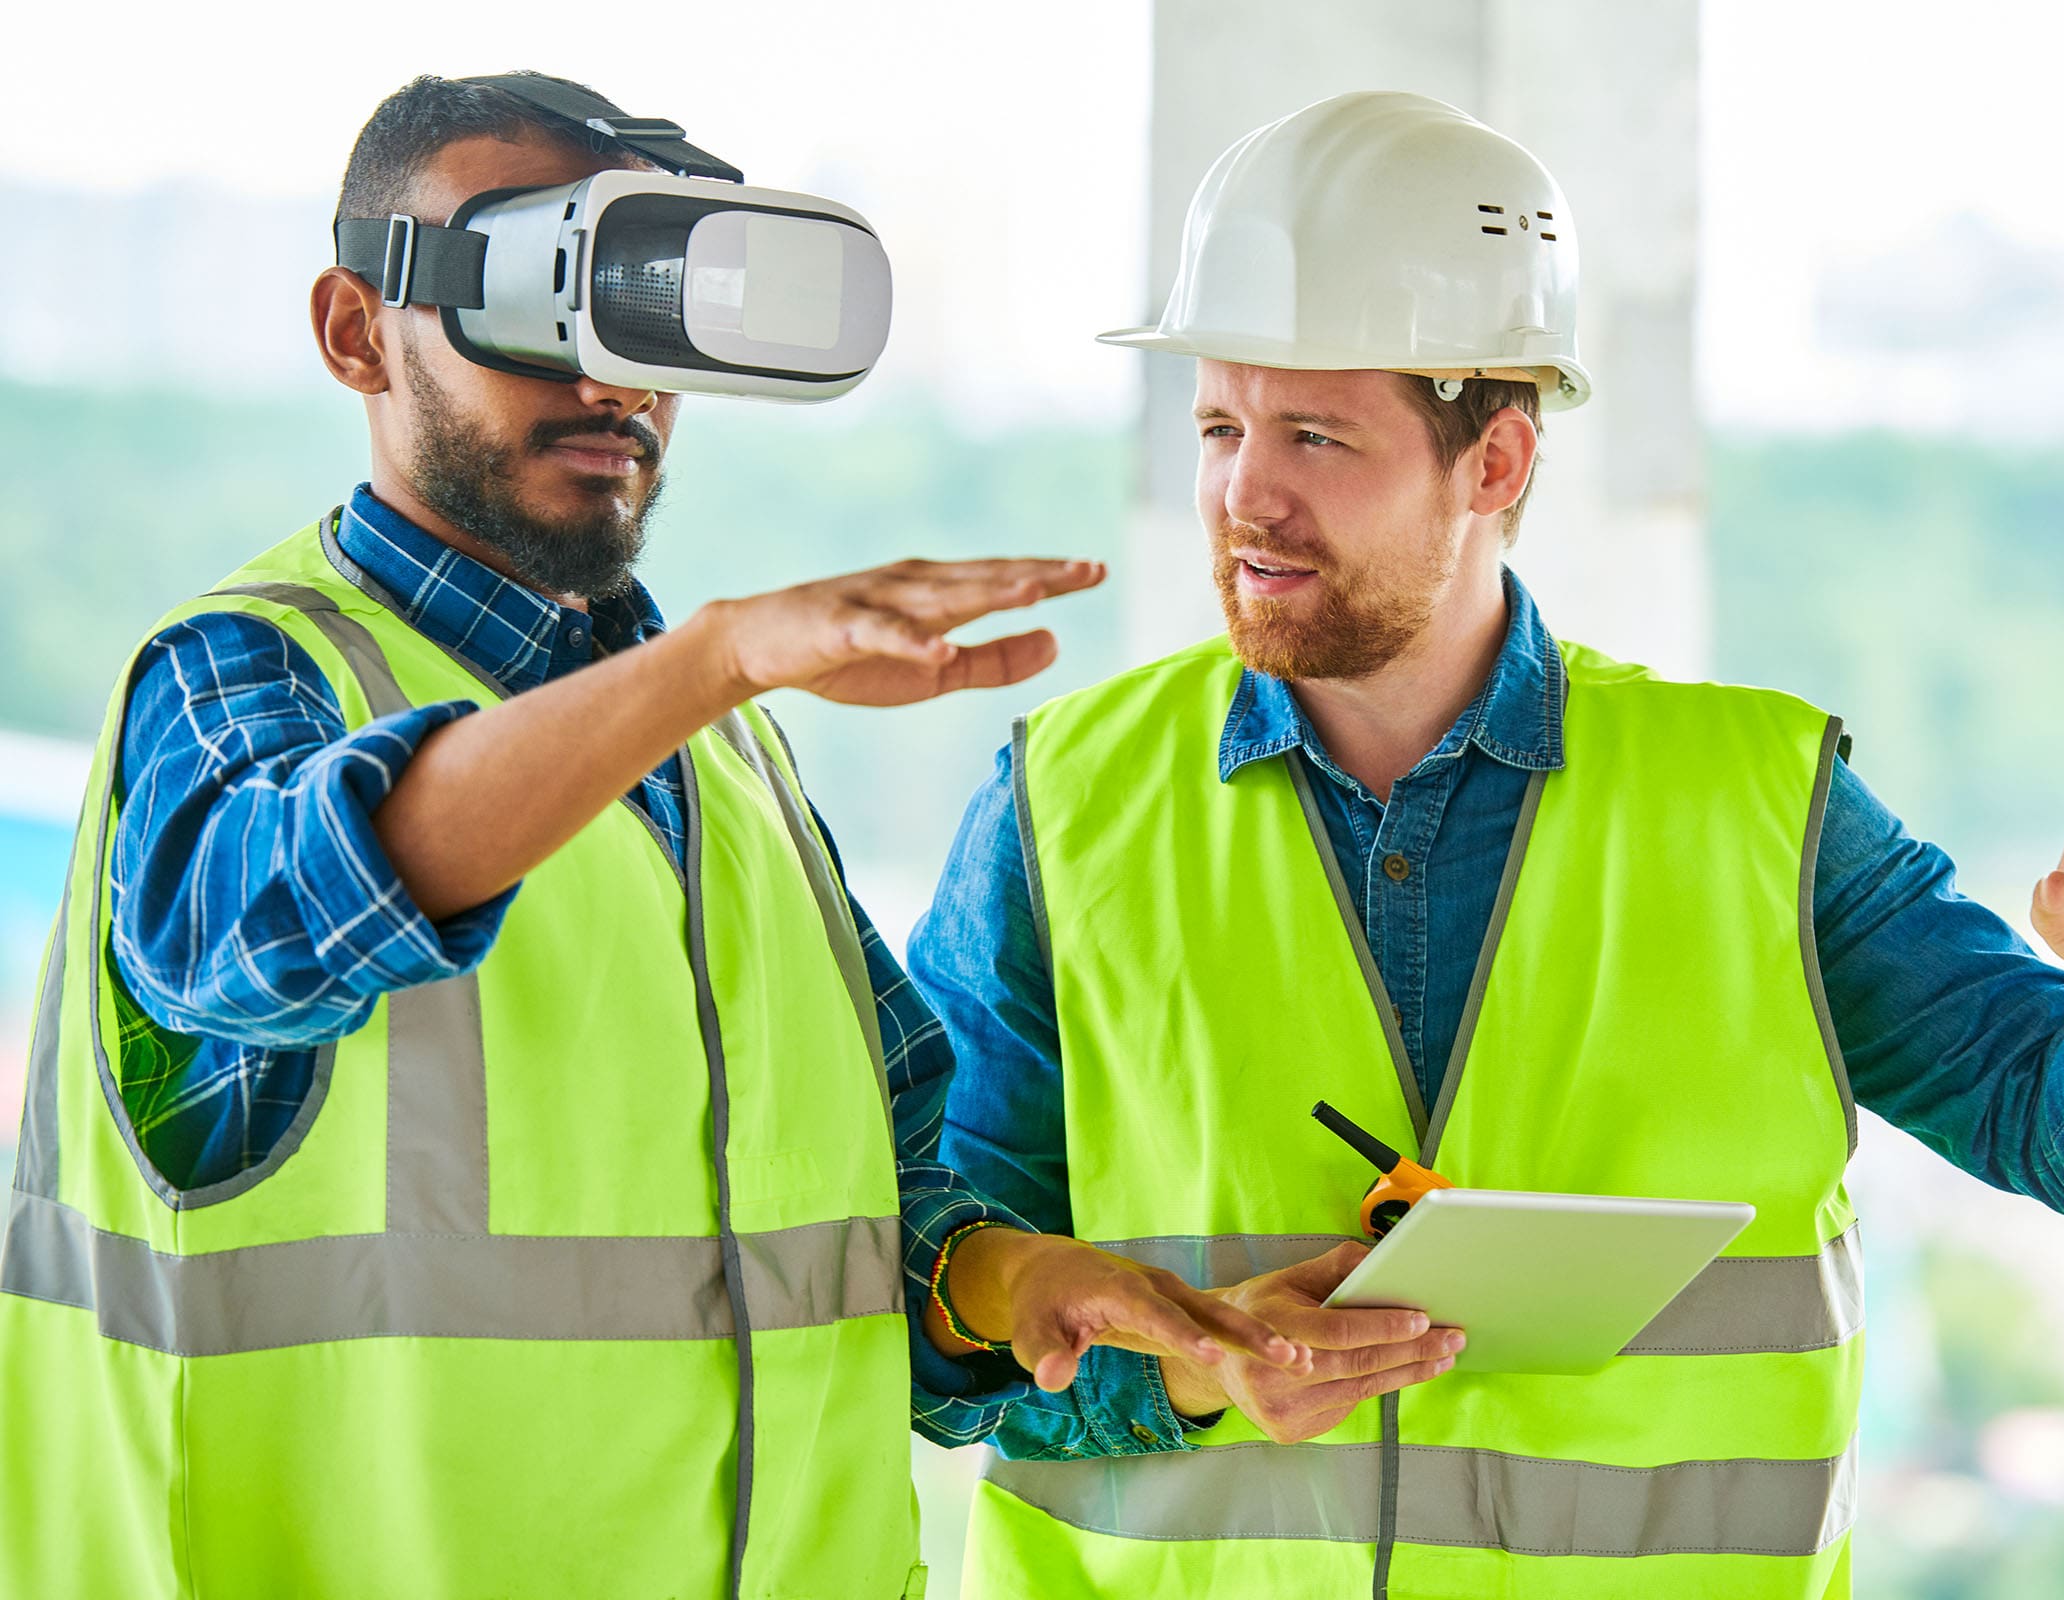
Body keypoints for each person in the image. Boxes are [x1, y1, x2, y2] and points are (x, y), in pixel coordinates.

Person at [909, 91, 2064, 1599]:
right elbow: (943, 1310)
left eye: (1315, 435)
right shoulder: (1064, 802)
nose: (1245, 496)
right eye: (1221, 425)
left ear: (1495, 463)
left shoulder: (1759, 802)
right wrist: (1193, 1373)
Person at [0, 72, 1299, 1600]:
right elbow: (281, 926)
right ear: (358, 329)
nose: (614, 385)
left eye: (648, 323)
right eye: (545, 303)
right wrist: (713, 660)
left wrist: (1019, 1286)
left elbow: (894, 1219)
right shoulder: (242, 677)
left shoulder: (724, 752)